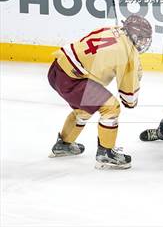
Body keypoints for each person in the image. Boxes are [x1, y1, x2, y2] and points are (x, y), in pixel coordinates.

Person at [48, 15, 152, 169]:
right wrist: (135, 76)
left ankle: (64, 145)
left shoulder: (113, 29)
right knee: (111, 107)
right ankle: (106, 153)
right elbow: (129, 99)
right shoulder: (128, 54)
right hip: (73, 81)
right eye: (143, 38)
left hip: (57, 70)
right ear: (135, 35)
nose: (144, 42)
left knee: (86, 107)